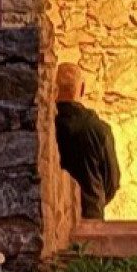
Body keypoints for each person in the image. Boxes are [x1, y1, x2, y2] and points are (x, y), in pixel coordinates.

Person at [53, 63, 121, 221]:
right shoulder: (99, 129)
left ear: (53, 90)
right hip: (90, 214)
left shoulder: (46, 127)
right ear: (82, 89)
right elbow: (112, 181)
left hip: (56, 217)